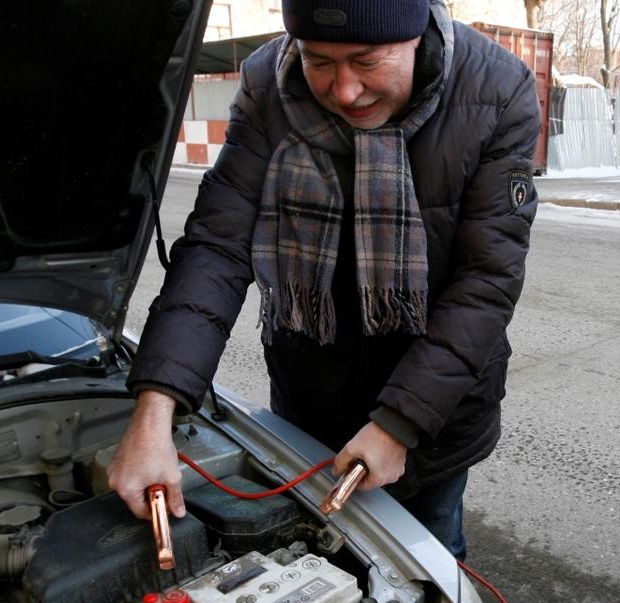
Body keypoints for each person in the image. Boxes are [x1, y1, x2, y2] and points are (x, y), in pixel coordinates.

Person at [107, 0, 539, 560]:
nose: (344, 91)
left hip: (435, 414)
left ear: (416, 36)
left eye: (367, 61)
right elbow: (217, 246)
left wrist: (399, 425)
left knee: (428, 564)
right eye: (318, 61)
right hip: (308, 396)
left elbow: (486, 282)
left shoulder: (497, 90)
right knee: (310, 561)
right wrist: (155, 411)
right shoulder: (268, 82)